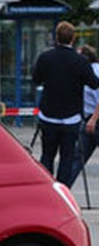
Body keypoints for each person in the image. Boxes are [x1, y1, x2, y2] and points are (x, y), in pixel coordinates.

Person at [31, 22, 99, 183]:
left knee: (47, 155)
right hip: (71, 118)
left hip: (48, 115)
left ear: (57, 37)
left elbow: (36, 79)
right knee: (67, 158)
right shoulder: (80, 61)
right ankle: (62, 189)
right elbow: (94, 83)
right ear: (73, 39)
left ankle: (47, 190)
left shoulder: (45, 57)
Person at [65, 44, 99, 187]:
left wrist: (93, 119)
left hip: (93, 119)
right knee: (77, 156)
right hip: (88, 118)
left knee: (77, 158)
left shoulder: (94, 72)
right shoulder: (85, 71)